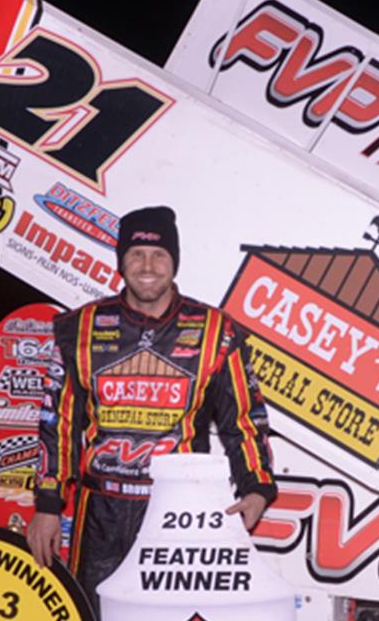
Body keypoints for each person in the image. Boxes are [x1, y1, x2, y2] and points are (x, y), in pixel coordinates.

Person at [27, 206, 276, 611]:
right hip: (101, 511)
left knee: (172, 614)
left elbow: (243, 420)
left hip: (179, 510)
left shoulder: (216, 332)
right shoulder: (79, 329)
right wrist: (48, 504)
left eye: (159, 255)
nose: (147, 266)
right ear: (121, 261)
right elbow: (59, 422)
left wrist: (257, 487)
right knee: (93, 612)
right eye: (136, 254)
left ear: (174, 262)